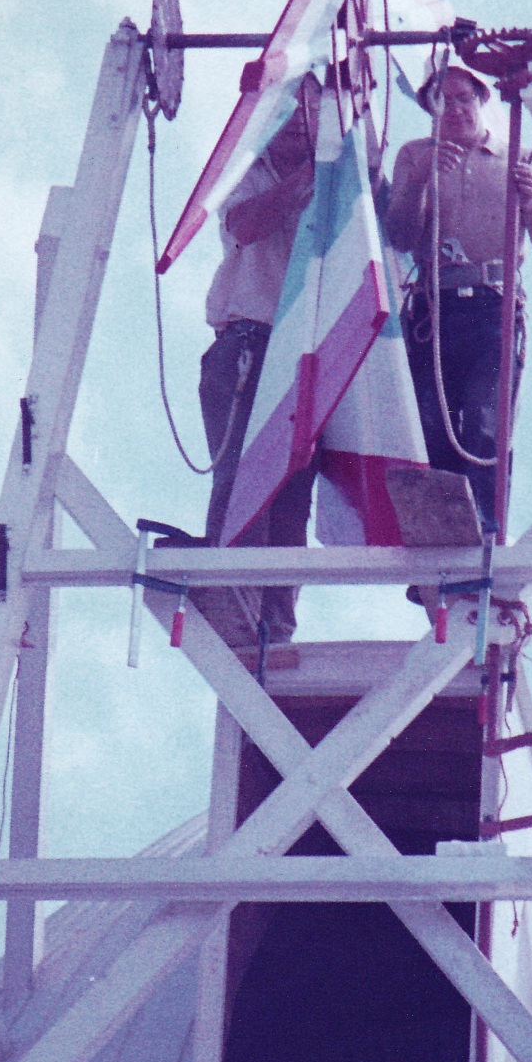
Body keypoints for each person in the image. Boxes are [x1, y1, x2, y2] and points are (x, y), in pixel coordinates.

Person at [384, 64, 532, 531]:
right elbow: (400, 235)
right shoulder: (414, 155)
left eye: (463, 98)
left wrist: (531, 203)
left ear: (481, 100)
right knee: (429, 423)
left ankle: (485, 529)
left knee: (486, 424)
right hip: (433, 309)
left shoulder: (522, 158)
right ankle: (441, 532)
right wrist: (419, 180)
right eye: (442, 101)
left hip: (493, 308)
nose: (455, 109)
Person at [196, 74, 321, 649]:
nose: (298, 123)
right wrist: (300, 185)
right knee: (244, 475)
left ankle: (276, 621)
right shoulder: (247, 172)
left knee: (292, 496)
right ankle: (234, 590)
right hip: (248, 344)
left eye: (310, 113)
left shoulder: (338, 182)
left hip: (306, 355)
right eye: (289, 112)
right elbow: (244, 225)